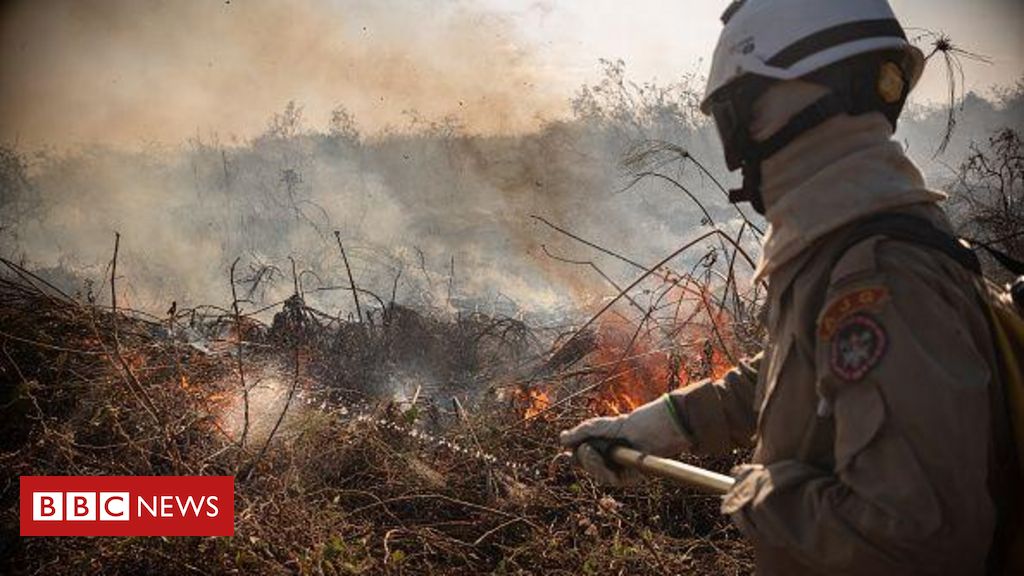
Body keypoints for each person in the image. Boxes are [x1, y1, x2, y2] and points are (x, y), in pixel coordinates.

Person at [559, 1, 1017, 574]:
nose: (738, 147)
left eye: (737, 114)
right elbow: (796, 373)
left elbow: (914, 543)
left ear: (791, 102)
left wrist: (759, 496)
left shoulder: (884, 284)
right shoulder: (850, 250)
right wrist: (651, 427)